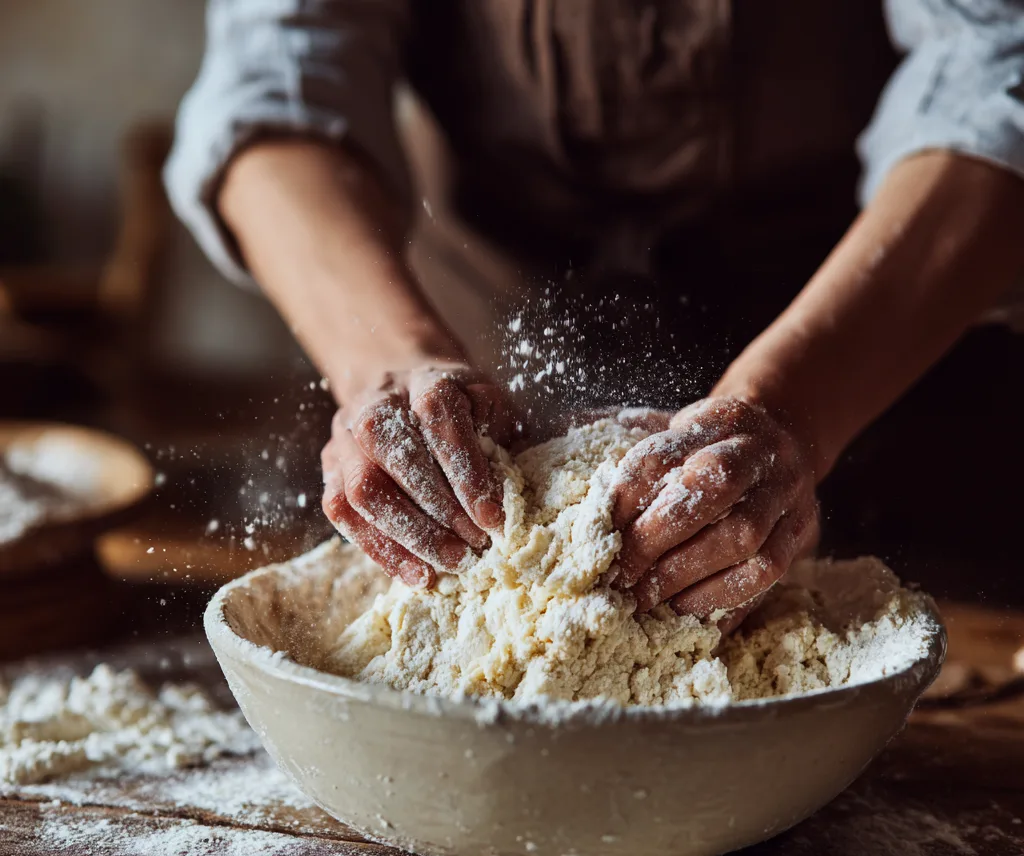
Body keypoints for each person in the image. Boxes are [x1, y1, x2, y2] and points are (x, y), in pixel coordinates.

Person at [167, 1, 1024, 622]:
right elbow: (274, 78)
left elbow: (999, 71)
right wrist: (389, 362)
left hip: (877, 359)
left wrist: (793, 407)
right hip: (474, 345)